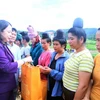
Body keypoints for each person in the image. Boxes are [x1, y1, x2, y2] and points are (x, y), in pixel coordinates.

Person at [0, 20, 32, 100]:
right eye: (9, 32)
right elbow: (6, 66)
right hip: (3, 87)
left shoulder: (3, 44)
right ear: (0, 31)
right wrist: (25, 60)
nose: (11, 35)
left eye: (12, 33)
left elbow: (11, 61)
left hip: (8, 84)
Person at [62, 18, 94, 100]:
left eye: (72, 39)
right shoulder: (74, 53)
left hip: (74, 94)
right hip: (66, 91)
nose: (69, 41)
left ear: (81, 39)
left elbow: (83, 86)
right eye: (68, 38)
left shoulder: (85, 57)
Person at [41, 29, 69, 100]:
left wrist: (50, 71)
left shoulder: (66, 58)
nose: (54, 46)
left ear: (63, 45)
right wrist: (44, 68)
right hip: (50, 85)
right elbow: (50, 67)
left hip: (58, 89)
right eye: (54, 44)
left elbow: (64, 76)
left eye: (57, 44)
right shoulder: (53, 54)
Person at [83, 28, 100, 100]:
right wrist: (86, 96)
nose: (97, 44)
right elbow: (91, 80)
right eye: (96, 40)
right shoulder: (97, 57)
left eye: (99, 40)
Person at [8, 27, 21, 98]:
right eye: (12, 34)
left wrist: (20, 74)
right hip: (5, 74)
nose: (13, 36)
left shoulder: (17, 48)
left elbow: (20, 61)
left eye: (15, 35)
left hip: (15, 74)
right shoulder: (3, 46)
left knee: (14, 92)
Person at [38, 32, 52, 100]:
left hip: (45, 79)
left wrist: (39, 67)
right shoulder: (43, 52)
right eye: (41, 43)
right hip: (40, 77)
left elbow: (46, 69)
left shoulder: (49, 53)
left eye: (44, 43)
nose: (42, 45)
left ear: (49, 43)